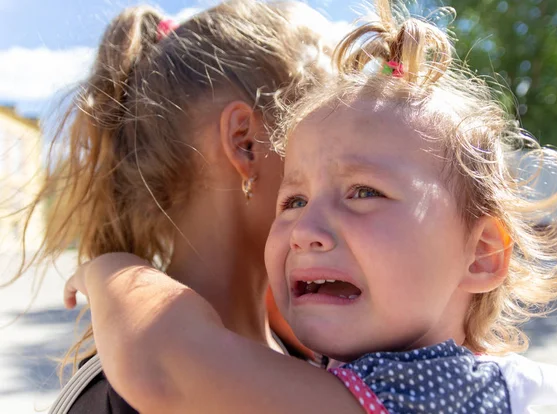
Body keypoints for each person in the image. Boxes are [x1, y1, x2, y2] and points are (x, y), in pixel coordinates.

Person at [64, 0, 557, 413]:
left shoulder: (404, 389)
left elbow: (167, 368)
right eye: (296, 197)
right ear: (247, 145)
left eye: (363, 191)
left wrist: (114, 271)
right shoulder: (117, 395)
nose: (307, 229)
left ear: (482, 253)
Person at [5, 1, 337, 413]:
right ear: (245, 142)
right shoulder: (128, 394)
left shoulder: (315, 364)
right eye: (327, 124)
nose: (354, 157)